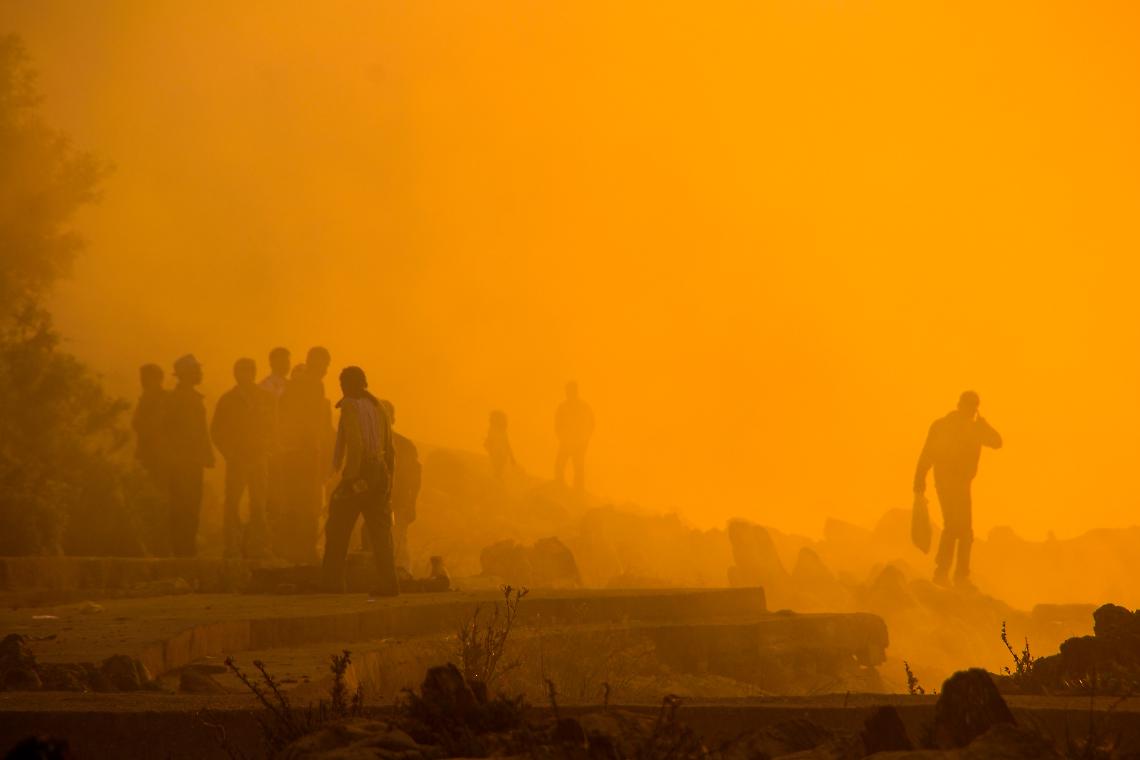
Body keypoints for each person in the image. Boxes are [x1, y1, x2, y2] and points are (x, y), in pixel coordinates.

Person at [320, 366, 399, 596]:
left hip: (361, 471)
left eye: (343, 384)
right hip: (381, 473)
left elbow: (354, 443)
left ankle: (332, 582)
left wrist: (350, 478)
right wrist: (388, 481)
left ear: (346, 385)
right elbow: (390, 448)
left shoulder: (349, 406)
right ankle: (389, 583)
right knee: (381, 532)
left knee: (337, 525)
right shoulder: (380, 407)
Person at [913, 390, 1003, 589]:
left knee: (963, 530)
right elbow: (927, 454)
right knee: (955, 527)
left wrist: (983, 424)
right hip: (947, 484)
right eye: (968, 407)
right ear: (960, 405)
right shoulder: (944, 426)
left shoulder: (974, 428)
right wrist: (919, 481)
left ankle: (955, 576)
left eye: (973, 408)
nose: (970, 411)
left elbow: (997, 442)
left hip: (961, 485)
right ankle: (947, 574)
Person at [211, 358, 275, 558]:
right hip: (237, 460)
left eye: (248, 371)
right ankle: (231, 547)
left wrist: (267, 448)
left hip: (258, 459)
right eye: (241, 371)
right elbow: (216, 431)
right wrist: (229, 453)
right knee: (232, 504)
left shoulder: (266, 398)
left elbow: (275, 426)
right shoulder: (227, 400)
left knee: (259, 504)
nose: (245, 375)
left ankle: (258, 548)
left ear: (254, 373)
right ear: (235, 374)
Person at [276, 348, 335, 564]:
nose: (326, 370)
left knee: (294, 501)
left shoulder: (293, 386)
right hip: (306, 454)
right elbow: (312, 425)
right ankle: (305, 551)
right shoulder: (312, 385)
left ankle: (293, 550)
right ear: (315, 363)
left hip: (295, 453)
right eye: (325, 364)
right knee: (307, 503)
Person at [165, 354, 214, 557]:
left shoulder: (188, 398)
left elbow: (201, 431)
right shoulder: (179, 400)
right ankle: (182, 548)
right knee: (184, 504)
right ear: (186, 374)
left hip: (190, 460)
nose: (200, 374)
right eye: (196, 370)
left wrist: (207, 453)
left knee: (190, 505)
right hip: (183, 460)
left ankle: (185, 547)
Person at [379, 399, 421, 571]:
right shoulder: (367, 445)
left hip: (398, 503)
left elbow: (415, 477)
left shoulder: (405, 445)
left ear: (393, 419)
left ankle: (402, 576)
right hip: (376, 504)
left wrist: (412, 503)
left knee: (398, 542)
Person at [554, 381, 594, 491]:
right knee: (560, 466)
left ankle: (578, 491)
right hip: (567, 442)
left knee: (578, 468)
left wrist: (585, 440)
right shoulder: (563, 407)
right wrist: (562, 437)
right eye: (567, 391)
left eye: (570, 390)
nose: (568, 393)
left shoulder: (584, 407)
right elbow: (557, 424)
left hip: (579, 443)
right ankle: (560, 487)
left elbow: (591, 424)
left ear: (575, 391)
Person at [484, 409, 516, 480]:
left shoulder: (497, 431)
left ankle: (496, 481)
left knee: (497, 471)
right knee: (498, 471)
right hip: (499, 454)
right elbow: (506, 444)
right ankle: (496, 481)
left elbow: (506, 444)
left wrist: (511, 457)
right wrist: (511, 458)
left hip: (499, 454)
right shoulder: (497, 431)